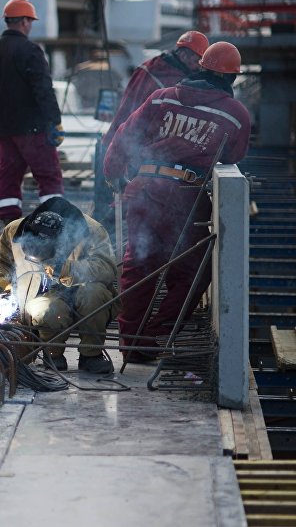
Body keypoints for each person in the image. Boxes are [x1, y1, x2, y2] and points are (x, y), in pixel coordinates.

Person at [103, 42, 251, 363]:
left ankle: (131, 344)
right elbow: (234, 155)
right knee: (193, 270)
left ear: (200, 67)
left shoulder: (162, 97)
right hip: (184, 195)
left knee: (139, 266)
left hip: (142, 188)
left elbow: (127, 135)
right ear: (232, 79)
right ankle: (154, 334)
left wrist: (114, 173)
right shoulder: (235, 114)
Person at [0, 197, 118, 373]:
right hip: (46, 292)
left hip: (84, 287)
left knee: (93, 295)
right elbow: (1, 262)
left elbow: (106, 268)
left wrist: (65, 269)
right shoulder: (14, 230)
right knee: (46, 310)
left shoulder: (92, 231)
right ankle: (52, 354)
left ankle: (91, 355)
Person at [94, 31, 209, 231]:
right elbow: (139, 120)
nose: (199, 66)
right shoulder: (166, 80)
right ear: (184, 55)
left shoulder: (152, 68)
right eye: (197, 60)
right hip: (128, 147)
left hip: (121, 144)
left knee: (116, 209)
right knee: (120, 211)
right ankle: (104, 250)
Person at [0, 0, 65, 224]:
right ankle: (52, 223)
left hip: (5, 131)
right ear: (25, 22)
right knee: (48, 176)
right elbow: (43, 90)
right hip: (34, 130)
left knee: (8, 179)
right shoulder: (31, 51)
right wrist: (55, 122)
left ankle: (11, 227)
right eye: (31, 21)